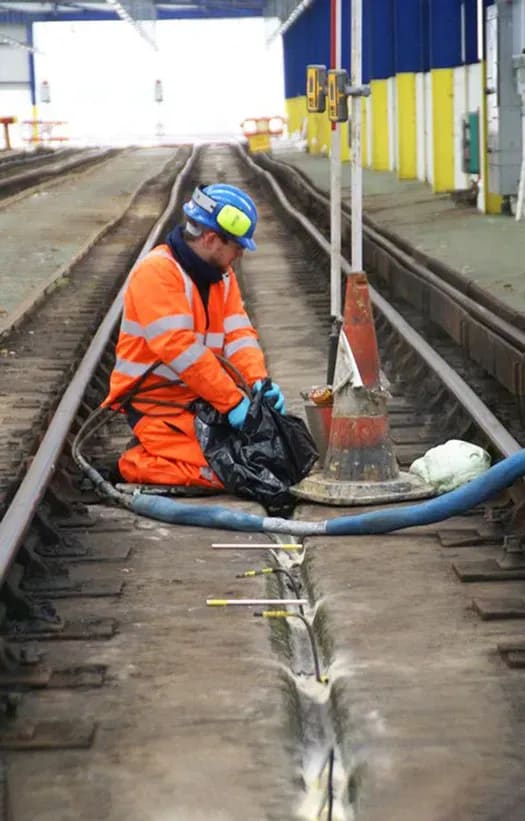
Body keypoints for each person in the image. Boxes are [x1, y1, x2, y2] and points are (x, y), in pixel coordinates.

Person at [103, 182, 286, 489]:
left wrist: (257, 382)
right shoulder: (157, 273)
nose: (240, 254)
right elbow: (179, 348)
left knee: (257, 461)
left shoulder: (222, 277)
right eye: (237, 246)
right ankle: (132, 464)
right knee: (223, 473)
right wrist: (232, 404)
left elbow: (239, 334)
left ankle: (168, 451)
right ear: (212, 239)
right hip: (155, 403)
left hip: (199, 401)